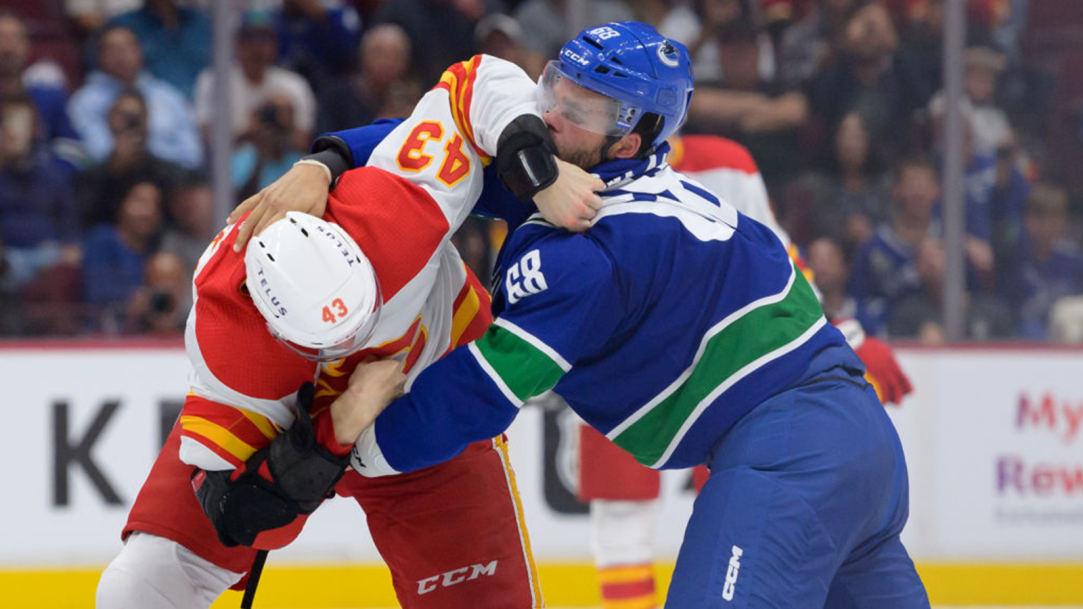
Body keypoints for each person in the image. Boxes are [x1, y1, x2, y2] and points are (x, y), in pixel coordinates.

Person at [231, 21, 929, 608]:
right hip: (857, 448)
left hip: (788, 454)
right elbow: (418, 147)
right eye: (552, 93)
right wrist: (324, 161)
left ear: (629, 138)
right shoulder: (585, 182)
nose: (551, 118)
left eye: (581, 111)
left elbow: (483, 391)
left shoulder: (590, 247)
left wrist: (337, 454)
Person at [97, 51, 605, 608]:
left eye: (366, 315)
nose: (357, 344)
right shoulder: (231, 354)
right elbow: (241, 511)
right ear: (279, 330)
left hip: (428, 395)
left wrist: (539, 171)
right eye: (335, 343)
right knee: (138, 589)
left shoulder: (395, 216)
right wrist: (339, 423)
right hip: (290, 423)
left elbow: (474, 84)